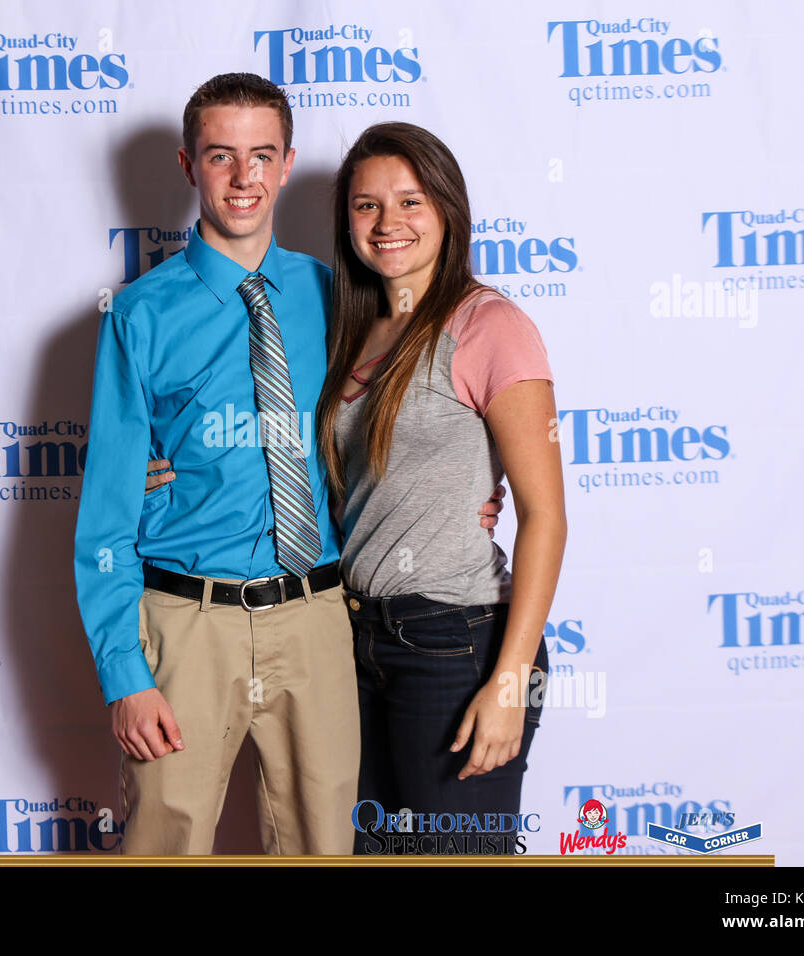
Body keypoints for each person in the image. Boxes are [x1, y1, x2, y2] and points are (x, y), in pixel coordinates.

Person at [76, 74, 505, 855]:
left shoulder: (340, 297)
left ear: (287, 162)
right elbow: (103, 517)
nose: (244, 179)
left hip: (315, 619)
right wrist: (124, 676)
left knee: (325, 842)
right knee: (161, 841)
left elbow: (410, 418)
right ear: (187, 164)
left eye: (262, 156)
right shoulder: (139, 315)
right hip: (186, 624)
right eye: (220, 156)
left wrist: (472, 488)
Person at [314, 122, 567, 855]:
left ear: (448, 209)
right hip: (358, 640)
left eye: (409, 200)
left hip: (456, 645)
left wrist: (511, 681)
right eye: (366, 206)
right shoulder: (353, 333)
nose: (387, 223)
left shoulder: (490, 325)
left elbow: (545, 517)